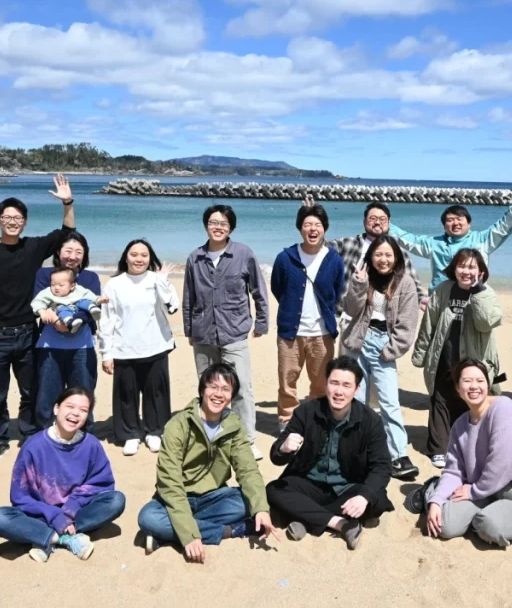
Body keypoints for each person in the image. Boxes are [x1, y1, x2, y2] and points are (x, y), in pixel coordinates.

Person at [0, 175, 76, 461]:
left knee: (30, 390)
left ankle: (29, 432)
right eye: (7, 217)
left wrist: (67, 202)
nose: (12, 222)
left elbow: (66, 233)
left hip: (28, 332)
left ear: (25, 222)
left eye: (18, 218)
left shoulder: (33, 248)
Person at [138, 363, 278, 563]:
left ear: (232, 395)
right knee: (148, 518)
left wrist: (261, 509)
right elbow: (170, 483)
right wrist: (189, 535)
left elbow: (247, 469)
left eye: (225, 389)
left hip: (214, 497)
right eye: (213, 387)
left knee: (250, 501)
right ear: (202, 389)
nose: (218, 394)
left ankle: (169, 533)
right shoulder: (178, 425)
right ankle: (230, 530)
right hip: (179, 496)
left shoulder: (233, 425)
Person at [266, 356, 394, 550]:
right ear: (326, 384)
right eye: (334, 383)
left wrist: (363, 497)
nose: (339, 391)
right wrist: (284, 448)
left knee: (377, 500)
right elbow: (276, 457)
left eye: (346, 385)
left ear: (356, 389)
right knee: (274, 490)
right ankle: (341, 524)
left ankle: (305, 518)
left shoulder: (370, 420)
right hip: (309, 484)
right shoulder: (307, 412)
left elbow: (382, 466)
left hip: (347, 487)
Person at [0, 387, 127, 562]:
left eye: (83, 410)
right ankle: (64, 538)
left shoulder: (91, 444)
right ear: (56, 408)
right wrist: (53, 515)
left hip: (76, 512)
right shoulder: (33, 446)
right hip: (41, 515)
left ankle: (44, 537)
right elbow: (21, 497)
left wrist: (70, 509)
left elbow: (100, 484)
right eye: (70, 406)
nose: (75, 413)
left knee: (116, 500)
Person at [183, 205, 269, 460]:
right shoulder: (195, 257)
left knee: (240, 388)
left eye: (223, 223)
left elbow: (258, 291)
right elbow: (189, 297)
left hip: (234, 332)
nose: (218, 227)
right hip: (203, 333)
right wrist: (189, 330)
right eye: (213, 222)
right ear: (206, 226)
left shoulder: (243, 254)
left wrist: (261, 323)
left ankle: (246, 440)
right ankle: (211, 435)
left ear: (231, 227)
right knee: (209, 388)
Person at [425, 359, 512, 547]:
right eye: (467, 381)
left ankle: (499, 514)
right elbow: (454, 471)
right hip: (482, 490)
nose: (474, 386)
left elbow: (502, 464)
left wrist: (473, 491)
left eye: (480, 381)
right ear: (457, 388)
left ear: (488, 385)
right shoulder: (460, 425)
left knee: (488, 525)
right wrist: (436, 501)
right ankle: (431, 490)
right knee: (444, 525)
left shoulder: (503, 409)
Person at [412, 248, 503, 468]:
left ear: (481, 271)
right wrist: (421, 353)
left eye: (472, 267)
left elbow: (486, 322)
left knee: (470, 401)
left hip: (474, 360)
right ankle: (438, 448)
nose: (466, 271)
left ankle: (470, 445)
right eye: (462, 266)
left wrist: (478, 291)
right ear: (454, 268)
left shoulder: (487, 293)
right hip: (444, 355)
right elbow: (429, 323)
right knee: (440, 400)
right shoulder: (444, 289)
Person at [340, 235, 420, 480]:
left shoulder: (405, 283)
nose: (383, 259)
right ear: (370, 257)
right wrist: (358, 284)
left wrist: (391, 350)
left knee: (389, 402)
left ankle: (398, 456)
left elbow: (408, 322)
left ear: (396, 258)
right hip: (357, 342)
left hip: (384, 344)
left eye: (388, 255)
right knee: (357, 400)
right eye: (378, 254)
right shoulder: (363, 277)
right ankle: (356, 451)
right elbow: (350, 309)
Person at [100, 239, 180, 455]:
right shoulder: (114, 284)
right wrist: (106, 353)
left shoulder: (157, 279)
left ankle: (155, 431)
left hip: (156, 346)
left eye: (144, 255)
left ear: (150, 258)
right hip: (124, 349)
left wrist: (162, 281)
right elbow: (107, 320)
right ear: (126, 257)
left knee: (157, 392)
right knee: (126, 393)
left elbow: (172, 307)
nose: (139, 259)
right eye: (134, 254)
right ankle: (130, 434)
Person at [388, 180, 512, 292]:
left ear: (469, 223)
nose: (455, 223)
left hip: (472, 298)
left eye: (460, 219)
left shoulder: (482, 240)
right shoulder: (434, 243)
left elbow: (505, 226)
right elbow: (406, 239)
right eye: (450, 220)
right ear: (444, 225)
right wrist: (384, 222)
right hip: (440, 299)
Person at [270, 204, 345, 431]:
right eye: (307, 224)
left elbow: (337, 290)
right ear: (300, 228)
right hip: (290, 333)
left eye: (317, 225)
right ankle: (286, 421)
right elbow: (277, 288)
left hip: (322, 333)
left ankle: (316, 422)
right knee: (287, 381)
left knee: (321, 383)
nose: (313, 229)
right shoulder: (285, 258)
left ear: (324, 229)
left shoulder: (333, 259)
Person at [33, 231, 101, 429]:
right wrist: (57, 322)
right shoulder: (45, 274)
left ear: (84, 255)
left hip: (82, 346)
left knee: (83, 394)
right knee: (47, 395)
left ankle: (84, 435)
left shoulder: (90, 277)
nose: (72, 256)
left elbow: (92, 308)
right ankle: (47, 434)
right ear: (58, 251)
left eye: (78, 252)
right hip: (50, 345)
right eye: (68, 250)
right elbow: (40, 302)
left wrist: (69, 323)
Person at [319, 200, 424, 315]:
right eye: (372, 218)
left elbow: (413, 284)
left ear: (389, 223)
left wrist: (421, 300)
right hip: (344, 313)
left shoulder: (398, 253)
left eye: (382, 219)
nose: (377, 222)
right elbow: (320, 247)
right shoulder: (348, 244)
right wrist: (315, 218)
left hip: (380, 316)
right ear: (364, 222)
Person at [31, 267, 104, 334]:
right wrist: (42, 311)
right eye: (53, 284)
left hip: (78, 308)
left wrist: (97, 299)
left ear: (72, 286)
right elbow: (37, 301)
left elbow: (88, 294)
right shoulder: (48, 292)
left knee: (84, 301)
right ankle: (70, 322)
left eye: (61, 285)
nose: (56, 287)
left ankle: (92, 308)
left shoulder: (78, 290)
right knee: (62, 310)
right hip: (62, 310)